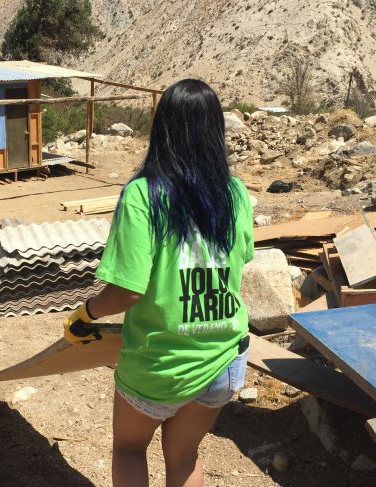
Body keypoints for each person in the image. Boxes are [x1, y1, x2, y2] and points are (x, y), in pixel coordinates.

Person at [62, 79, 254, 487]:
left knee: (130, 448)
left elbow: (128, 290)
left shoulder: (143, 194)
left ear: (162, 127)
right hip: (223, 358)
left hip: (160, 366)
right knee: (184, 456)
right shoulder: (235, 193)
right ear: (215, 130)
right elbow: (241, 262)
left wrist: (86, 314)